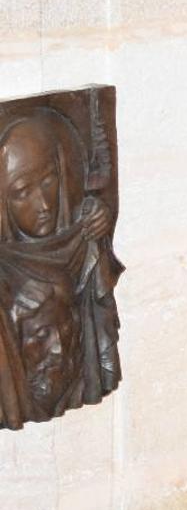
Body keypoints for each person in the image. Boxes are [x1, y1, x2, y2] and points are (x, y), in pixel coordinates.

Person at [0, 110, 122, 430]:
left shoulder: (82, 236)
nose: (43, 204)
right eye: (21, 192)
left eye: (48, 179)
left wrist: (102, 213)